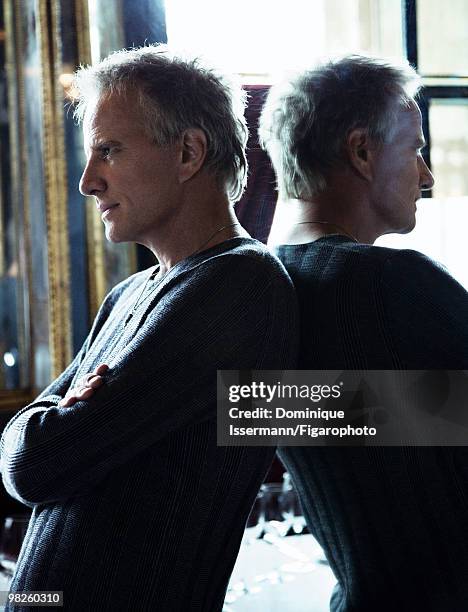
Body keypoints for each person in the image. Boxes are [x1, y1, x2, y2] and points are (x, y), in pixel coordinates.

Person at [0, 45, 298, 611]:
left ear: (188, 152)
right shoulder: (128, 295)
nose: (88, 182)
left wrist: (53, 421)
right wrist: (49, 422)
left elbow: (34, 465)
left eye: (108, 152)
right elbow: (17, 449)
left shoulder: (239, 285)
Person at [259, 55, 468, 611]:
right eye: (416, 150)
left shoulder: (262, 288)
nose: (426, 175)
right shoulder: (391, 283)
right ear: (362, 151)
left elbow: (267, 410)